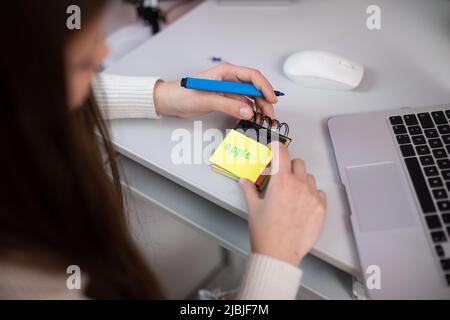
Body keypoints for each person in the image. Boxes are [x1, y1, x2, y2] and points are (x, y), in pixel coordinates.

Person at [0, 0, 326, 299]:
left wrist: (163, 96)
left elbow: (42, 94)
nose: (103, 55)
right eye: (83, 63)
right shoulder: (26, 280)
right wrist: (274, 262)